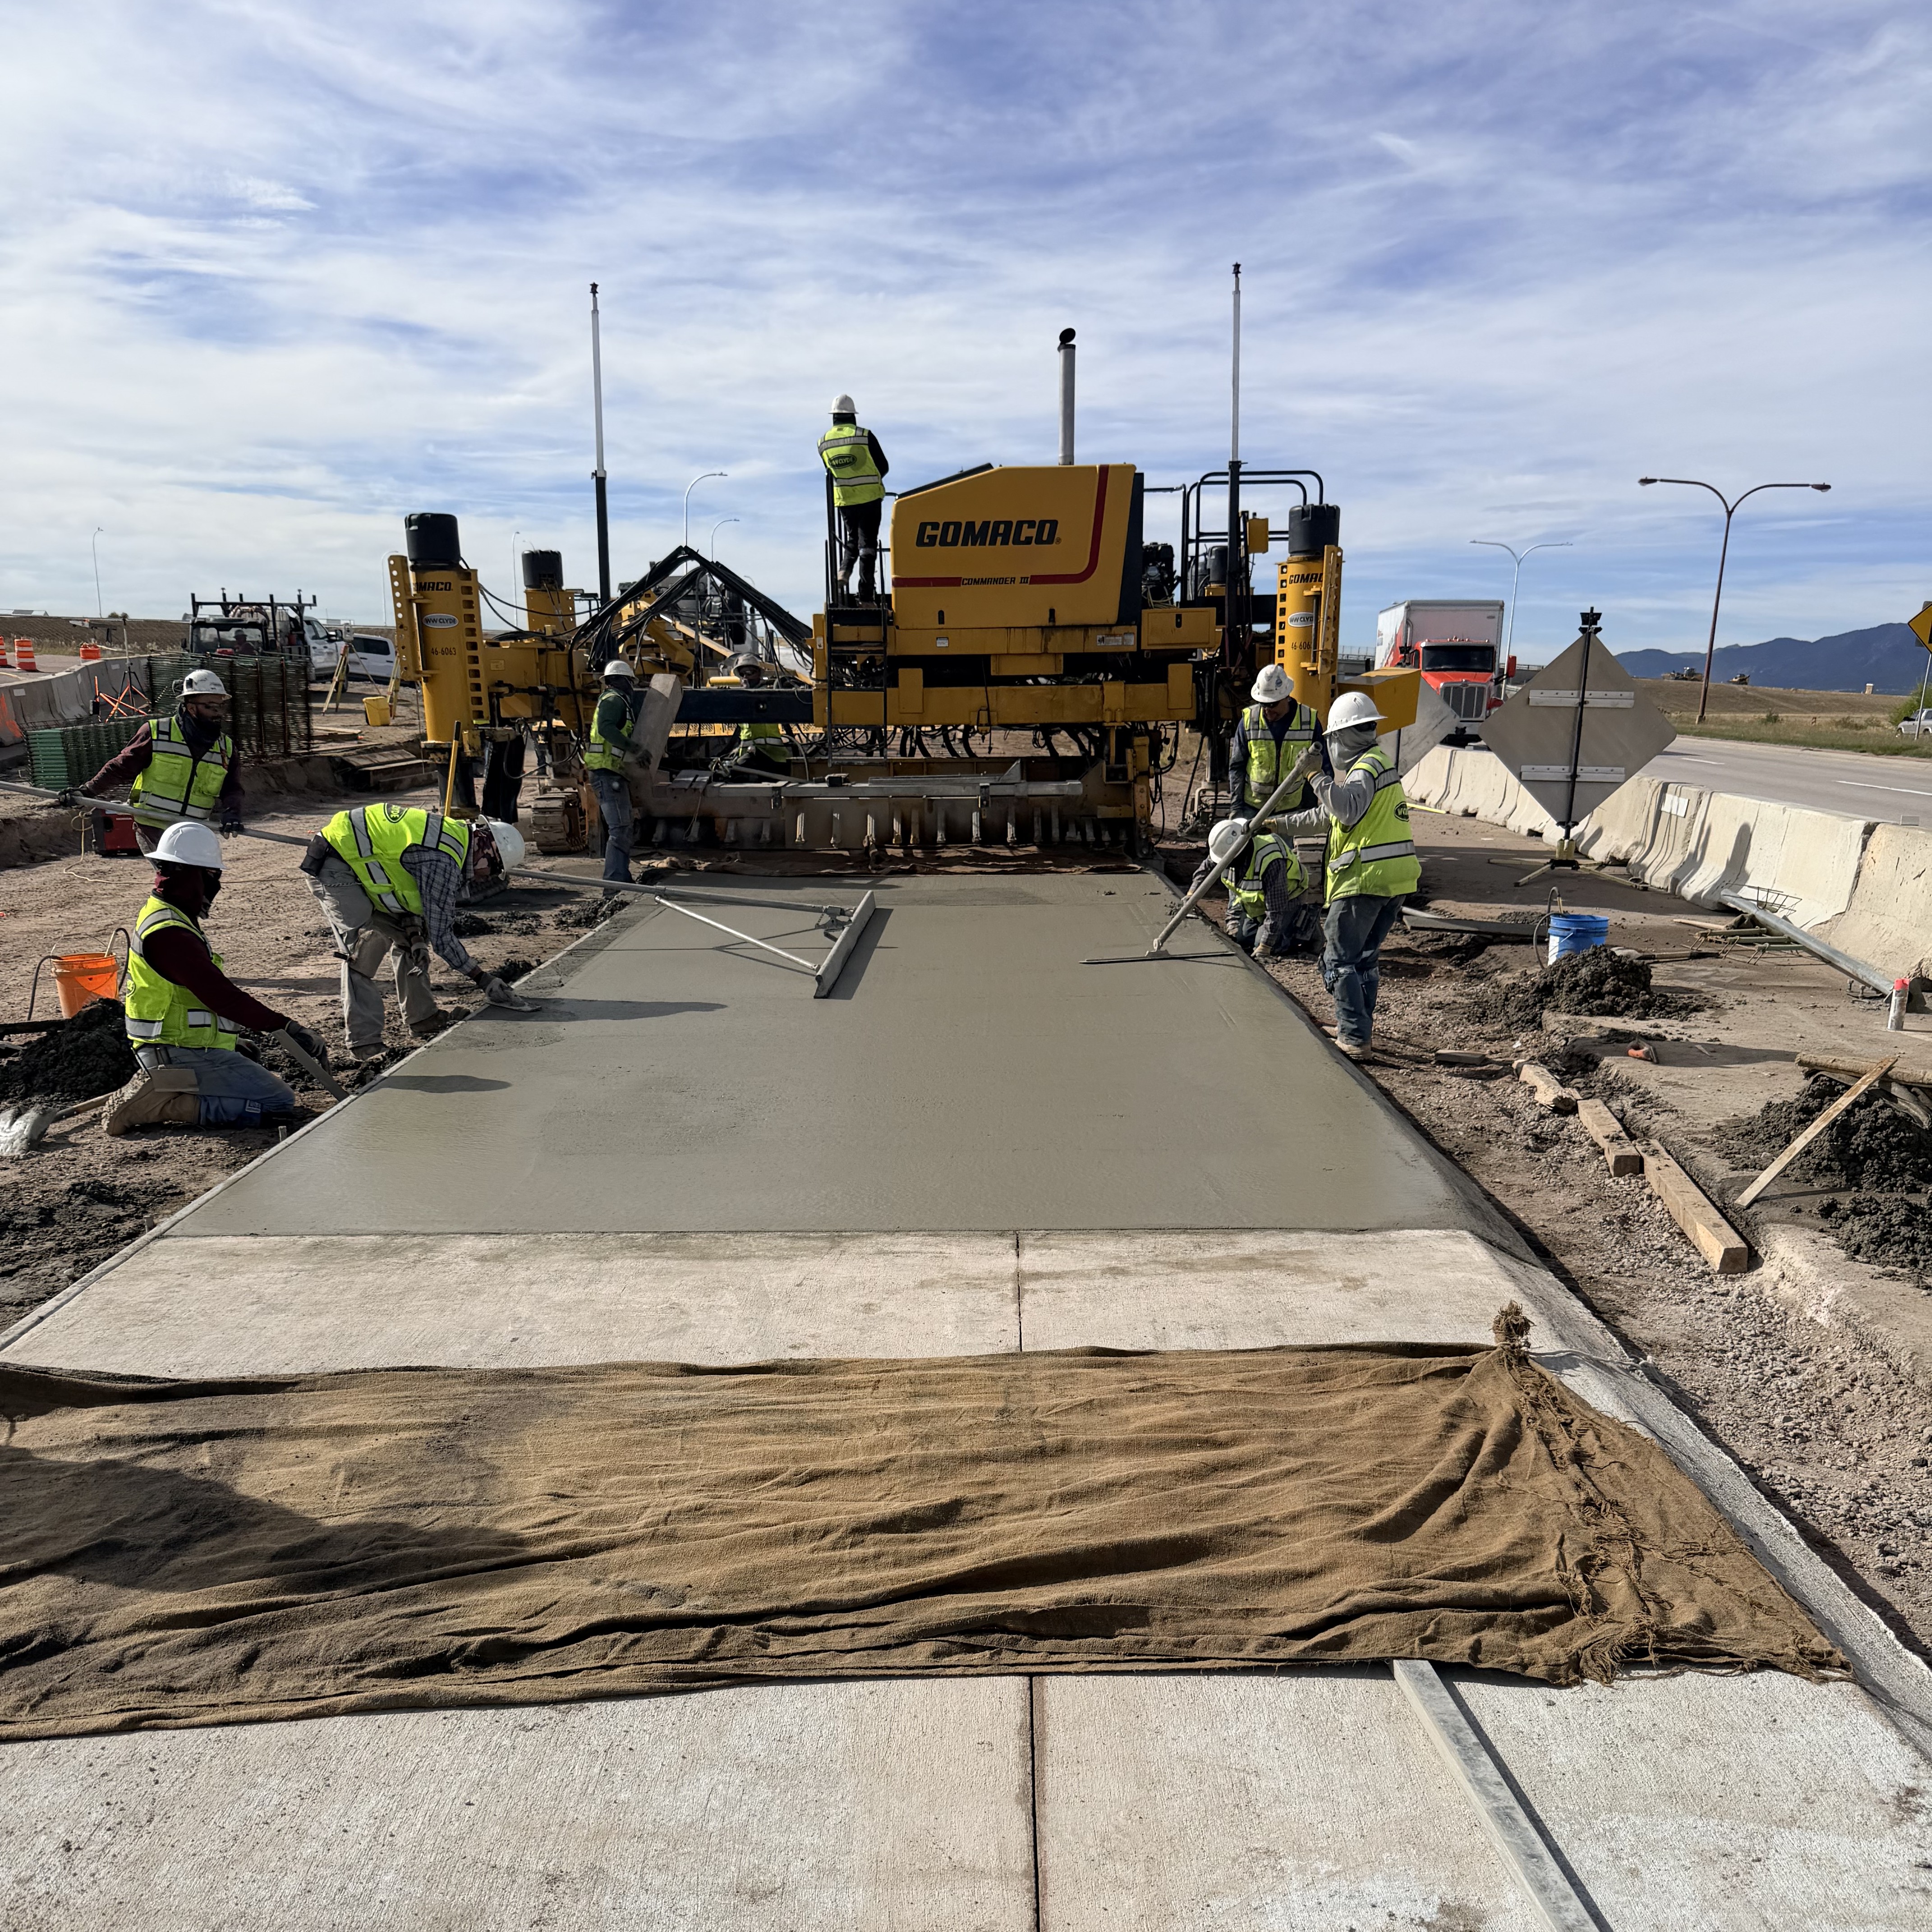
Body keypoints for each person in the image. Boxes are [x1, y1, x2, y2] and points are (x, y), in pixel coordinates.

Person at [103, 821, 328, 1135]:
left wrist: (230, 1042)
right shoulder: (170, 933)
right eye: (213, 877)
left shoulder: (170, 913)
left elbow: (193, 998)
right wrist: (287, 1028)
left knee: (256, 1080)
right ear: (194, 875)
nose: (216, 886)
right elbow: (223, 998)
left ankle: (174, 1086)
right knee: (277, 1102)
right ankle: (163, 1105)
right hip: (173, 1054)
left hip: (178, 1046)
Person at [300, 804, 534, 1062]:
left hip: (365, 863)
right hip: (336, 863)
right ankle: (364, 1043)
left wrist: (414, 934)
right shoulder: (444, 861)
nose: (485, 879)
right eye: (492, 870)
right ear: (485, 850)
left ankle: (423, 1017)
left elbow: (404, 886)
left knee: (413, 940)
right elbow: (443, 936)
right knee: (365, 947)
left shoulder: (454, 840)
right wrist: (483, 979)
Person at [1269, 691, 1419, 1060]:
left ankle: (1353, 1036)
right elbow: (1328, 816)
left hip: (1364, 881)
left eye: (1332, 738)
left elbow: (1347, 810)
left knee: (1338, 960)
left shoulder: (1366, 768)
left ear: (1343, 736)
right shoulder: (1376, 765)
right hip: (1392, 879)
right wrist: (1279, 824)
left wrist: (1313, 775)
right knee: (1364, 959)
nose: (1331, 745)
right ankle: (1357, 1028)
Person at [67, 667, 243, 849]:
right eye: (211, 706)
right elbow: (121, 769)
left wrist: (232, 813)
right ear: (191, 707)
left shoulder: (225, 747)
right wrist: (86, 792)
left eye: (221, 706)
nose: (218, 713)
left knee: (208, 877)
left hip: (193, 831)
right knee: (173, 875)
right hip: (153, 829)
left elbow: (232, 788)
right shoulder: (156, 733)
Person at [1189, 818, 1316, 958]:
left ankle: (1305, 927)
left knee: (1267, 947)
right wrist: (1191, 895)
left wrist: (1265, 946)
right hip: (1259, 904)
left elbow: (1276, 910)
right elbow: (1206, 868)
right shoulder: (1228, 850)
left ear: (1237, 854)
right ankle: (1269, 930)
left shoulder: (1270, 860)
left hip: (1289, 897)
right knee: (1244, 940)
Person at [818, 394, 889, 601]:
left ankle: (844, 570)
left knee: (852, 539)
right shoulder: (865, 436)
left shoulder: (823, 443)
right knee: (868, 545)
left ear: (834, 417)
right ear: (853, 416)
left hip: (845, 501)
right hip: (870, 499)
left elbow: (831, 471)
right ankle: (866, 596)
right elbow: (883, 466)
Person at [1231, 663, 1320, 819]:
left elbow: (1320, 768)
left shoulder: (1309, 721)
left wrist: (1310, 809)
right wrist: (1236, 808)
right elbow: (1237, 767)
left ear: (1286, 696)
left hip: (1289, 812)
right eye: (1263, 704)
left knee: (1281, 845)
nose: (1267, 710)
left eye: (1272, 705)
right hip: (1253, 809)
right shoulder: (1249, 721)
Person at [583, 659, 640, 887]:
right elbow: (607, 728)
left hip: (613, 773)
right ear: (626, 681)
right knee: (619, 830)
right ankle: (614, 884)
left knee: (624, 828)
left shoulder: (616, 701)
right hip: (606, 774)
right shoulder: (615, 700)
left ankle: (622, 879)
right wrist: (635, 748)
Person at [721, 654, 791, 778]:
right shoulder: (742, 700)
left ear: (758, 674)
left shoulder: (768, 696)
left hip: (771, 756)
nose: (745, 678)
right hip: (752, 756)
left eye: (749, 673)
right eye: (742, 674)